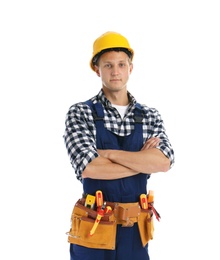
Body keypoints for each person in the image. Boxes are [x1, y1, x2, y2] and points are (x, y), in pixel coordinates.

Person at [63, 31, 175, 260]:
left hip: (136, 233)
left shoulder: (150, 116)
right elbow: (90, 168)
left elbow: (163, 162)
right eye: (108, 65)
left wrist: (110, 154)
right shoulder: (80, 112)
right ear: (97, 69)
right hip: (93, 229)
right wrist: (143, 162)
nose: (116, 72)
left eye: (121, 64)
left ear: (130, 68)